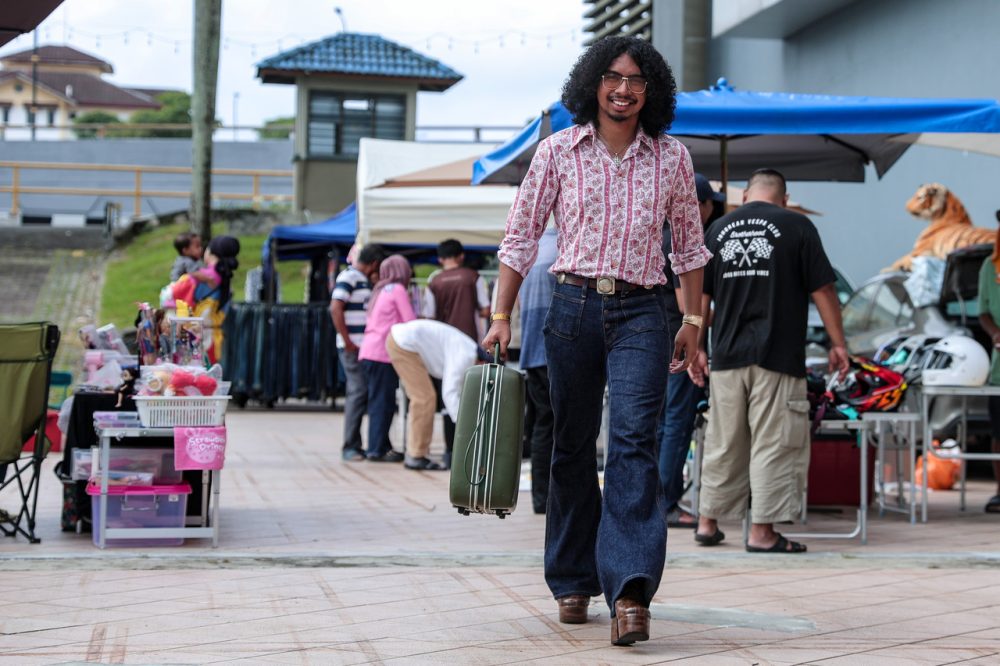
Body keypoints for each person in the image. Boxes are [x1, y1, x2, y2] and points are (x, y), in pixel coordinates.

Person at [482, 35, 711, 647]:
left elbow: (690, 248)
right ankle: (572, 577)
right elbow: (519, 237)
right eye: (613, 77)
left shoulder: (671, 157)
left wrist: (693, 321)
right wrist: (501, 314)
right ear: (593, 84)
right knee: (572, 445)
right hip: (572, 307)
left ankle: (630, 590)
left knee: (635, 442)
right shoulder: (557, 151)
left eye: (636, 80)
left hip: (645, 311)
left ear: (651, 91)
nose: (623, 89)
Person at [688, 168, 849, 553]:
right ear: (784, 198)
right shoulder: (798, 227)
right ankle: (762, 533)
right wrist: (838, 343)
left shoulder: (718, 230)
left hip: (726, 355)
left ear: (745, 196)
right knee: (774, 442)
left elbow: (701, 296)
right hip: (777, 355)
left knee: (723, 440)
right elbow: (824, 289)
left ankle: (708, 522)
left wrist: (697, 347)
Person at [658, 174, 725, 528]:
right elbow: (688, 305)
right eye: (710, 203)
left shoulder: (658, 235)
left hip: (657, 339)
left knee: (660, 423)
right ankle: (667, 502)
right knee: (677, 422)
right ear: (698, 204)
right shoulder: (681, 241)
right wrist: (719, 316)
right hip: (680, 343)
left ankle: (656, 499)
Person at [386, 320, 479, 471]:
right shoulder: (466, 355)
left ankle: (416, 453)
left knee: (424, 397)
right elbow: (449, 392)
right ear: (482, 362)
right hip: (404, 343)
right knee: (424, 398)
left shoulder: (468, 350)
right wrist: (464, 427)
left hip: (402, 339)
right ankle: (416, 455)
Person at [358, 254, 415, 462]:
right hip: (383, 353)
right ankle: (376, 449)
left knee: (377, 401)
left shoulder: (380, 289)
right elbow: (409, 321)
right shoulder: (398, 290)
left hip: (369, 351)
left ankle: (381, 444)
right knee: (384, 403)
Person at [330, 244, 384, 462]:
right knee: (358, 391)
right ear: (374, 264)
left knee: (361, 392)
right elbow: (335, 308)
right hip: (352, 346)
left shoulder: (361, 279)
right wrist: (347, 340)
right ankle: (350, 446)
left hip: (362, 347)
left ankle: (356, 444)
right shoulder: (349, 277)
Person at [518, 227, 558, 514]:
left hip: (532, 348)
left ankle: (541, 497)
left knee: (542, 424)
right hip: (554, 348)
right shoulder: (564, 248)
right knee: (560, 426)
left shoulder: (533, 249)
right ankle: (552, 497)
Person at [976, 223, 1000, 514]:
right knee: (999, 431)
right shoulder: (989, 267)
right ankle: (999, 491)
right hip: (999, 368)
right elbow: (983, 313)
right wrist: (995, 334)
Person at [423, 239, 491, 341]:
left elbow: (429, 315)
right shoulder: (474, 277)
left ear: (440, 259)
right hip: (469, 337)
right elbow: (486, 310)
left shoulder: (433, 282)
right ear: (462, 256)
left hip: (443, 338)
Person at [191, 235, 240, 365]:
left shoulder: (202, 276)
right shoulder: (225, 276)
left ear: (211, 252)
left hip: (199, 336)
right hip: (218, 338)